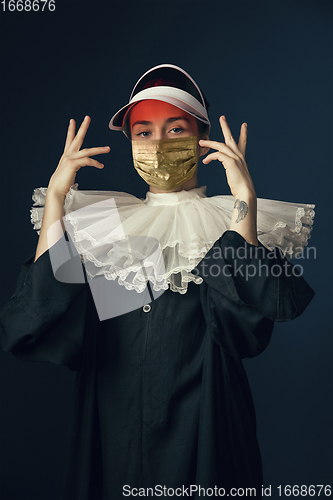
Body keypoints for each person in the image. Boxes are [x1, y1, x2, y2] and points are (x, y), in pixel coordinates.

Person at [0, 64, 315, 499]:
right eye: (143, 132)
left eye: (176, 128)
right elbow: (41, 322)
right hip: (114, 432)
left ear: (201, 135)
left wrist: (244, 200)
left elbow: (246, 330)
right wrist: (56, 198)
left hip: (206, 428)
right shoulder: (106, 226)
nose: (160, 144)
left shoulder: (230, 224)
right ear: (130, 141)